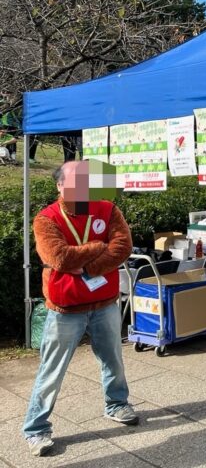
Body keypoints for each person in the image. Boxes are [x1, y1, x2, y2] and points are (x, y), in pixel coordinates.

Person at [22, 161, 137, 457]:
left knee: (113, 360)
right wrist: (98, 247)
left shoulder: (107, 209)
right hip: (65, 307)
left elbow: (122, 246)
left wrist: (86, 265)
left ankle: (117, 404)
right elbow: (58, 257)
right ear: (60, 186)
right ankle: (36, 429)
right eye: (74, 183)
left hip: (105, 303)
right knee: (52, 369)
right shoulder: (46, 219)